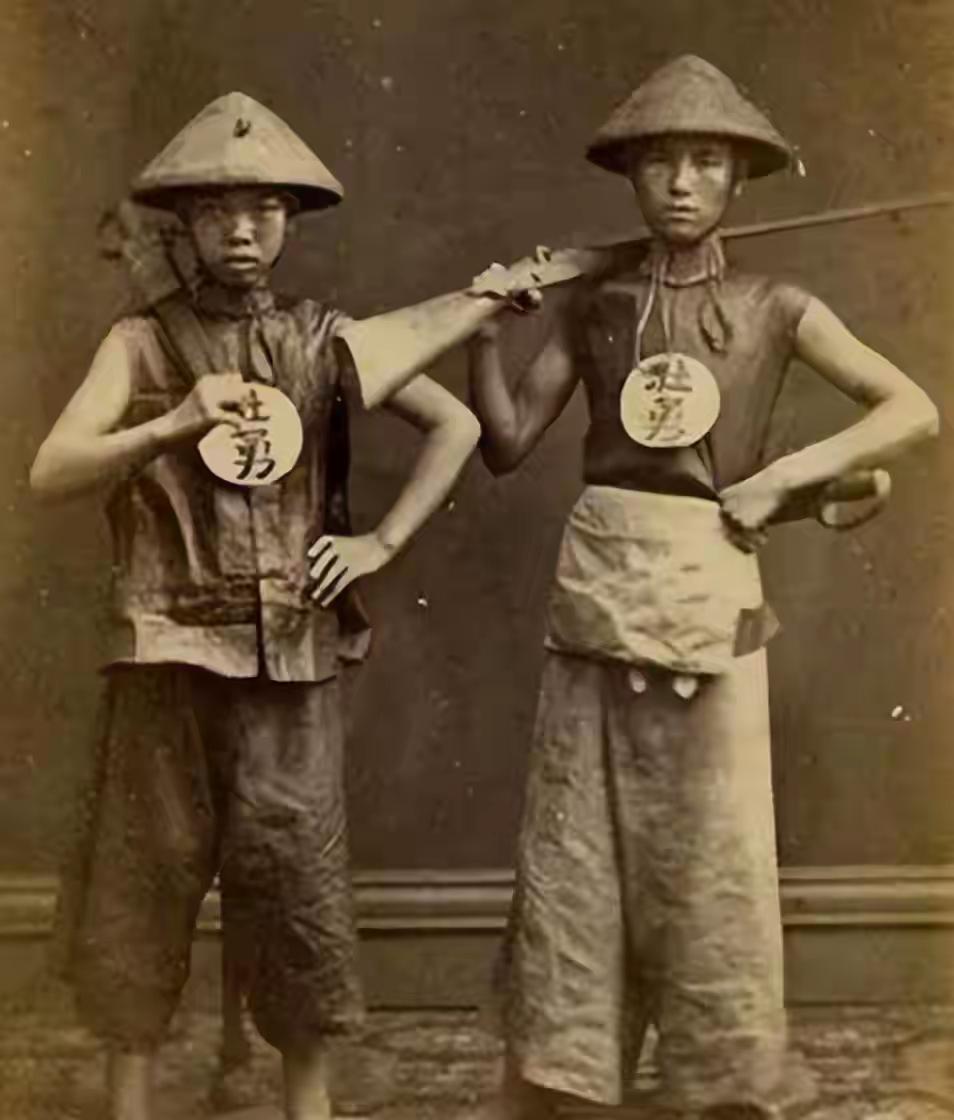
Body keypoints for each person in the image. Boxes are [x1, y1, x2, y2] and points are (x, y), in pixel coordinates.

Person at [465, 56, 938, 1120]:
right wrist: (486, 330)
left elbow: (912, 409)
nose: (682, 183)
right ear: (631, 174)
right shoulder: (594, 302)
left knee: (714, 845)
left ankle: (721, 1082)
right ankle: (567, 1074)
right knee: (577, 843)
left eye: (707, 161)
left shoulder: (778, 304)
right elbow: (505, 440)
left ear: (739, 178)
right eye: (660, 162)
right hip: (598, 580)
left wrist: (781, 478)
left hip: (710, 581)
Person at [31, 92, 484, 1120]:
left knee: (295, 884)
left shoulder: (327, 339)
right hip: (164, 652)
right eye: (218, 209)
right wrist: (169, 424)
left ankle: (304, 1110)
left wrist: (378, 544)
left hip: (292, 653)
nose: (242, 228)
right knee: (142, 882)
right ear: (185, 224)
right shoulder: (141, 343)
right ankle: (131, 1108)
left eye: (265, 208)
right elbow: (50, 471)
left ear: (290, 221)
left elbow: (454, 423)